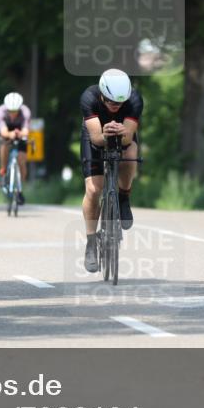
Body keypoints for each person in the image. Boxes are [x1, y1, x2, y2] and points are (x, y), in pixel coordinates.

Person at [80, 69, 142, 272]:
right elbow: (96, 139)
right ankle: (90, 243)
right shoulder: (89, 98)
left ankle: (124, 196)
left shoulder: (134, 100)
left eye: (120, 103)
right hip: (96, 134)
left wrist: (123, 134)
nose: (116, 107)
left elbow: (127, 138)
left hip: (124, 134)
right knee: (93, 189)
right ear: (102, 95)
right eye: (111, 102)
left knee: (131, 150)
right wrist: (104, 133)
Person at [0, 92, 31, 205]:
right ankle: (3, 170)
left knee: (22, 160)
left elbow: (26, 130)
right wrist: (10, 135)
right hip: (6, 130)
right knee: (4, 145)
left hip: (20, 130)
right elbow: (3, 131)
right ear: (6, 108)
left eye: (15, 111)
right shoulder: (0, 112)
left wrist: (20, 134)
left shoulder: (25, 112)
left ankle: (20, 189)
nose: (13, 113)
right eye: (10, 111)